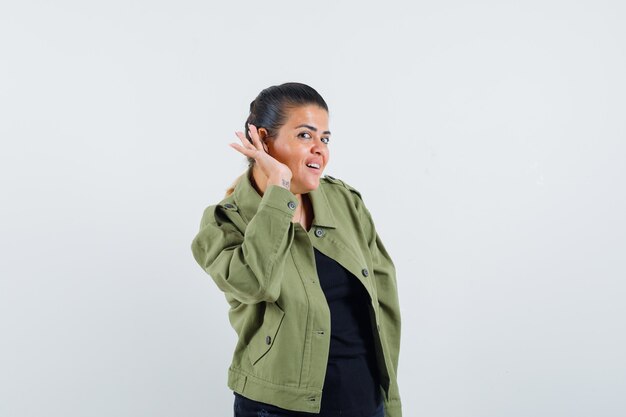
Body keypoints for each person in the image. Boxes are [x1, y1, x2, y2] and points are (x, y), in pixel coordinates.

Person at [190, 82, 402, 417]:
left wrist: (390, 401)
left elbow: (383, 301)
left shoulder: (345, 202)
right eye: (305, 135)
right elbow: (256, 284)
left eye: (325, 138)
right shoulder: (223, 222)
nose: (320, 149)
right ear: (262, 139)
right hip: (278, 409)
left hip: (364, 402)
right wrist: (279, 190)